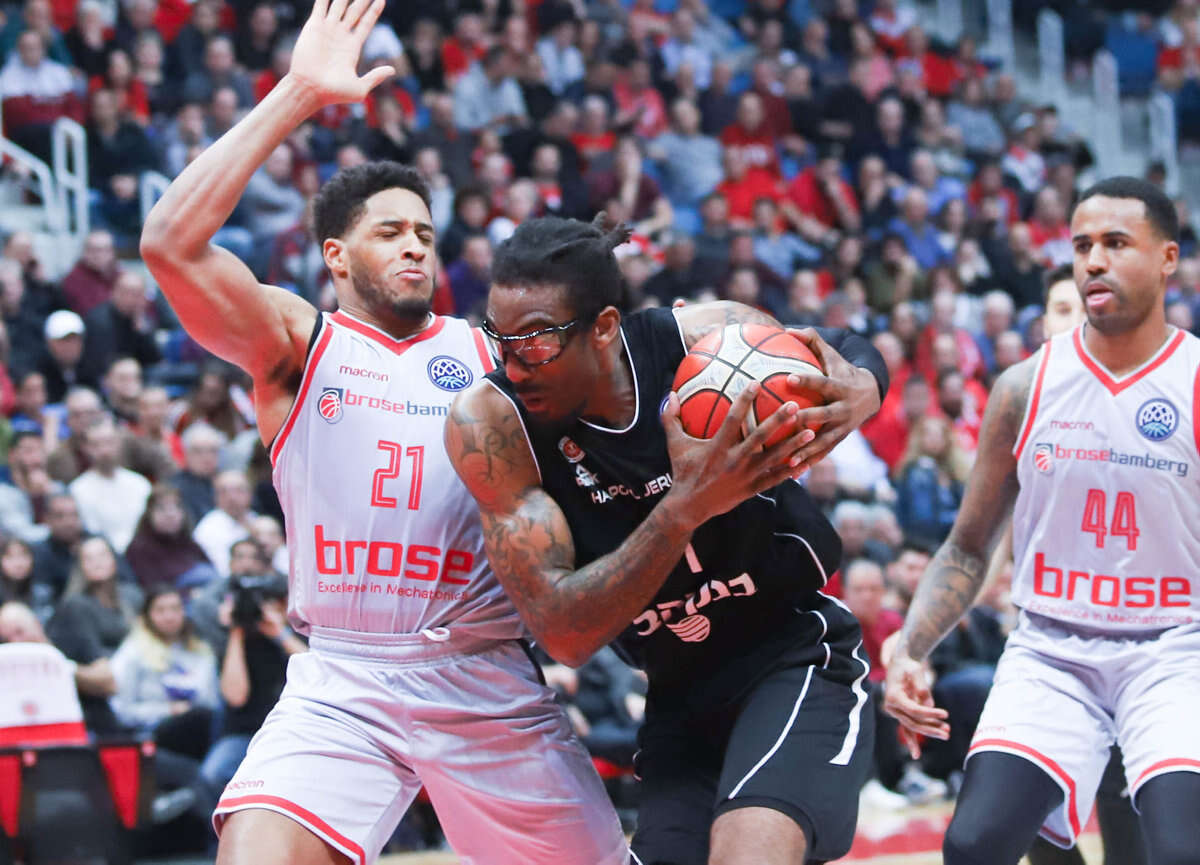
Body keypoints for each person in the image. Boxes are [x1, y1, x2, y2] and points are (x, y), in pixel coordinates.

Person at [138, 3, 626, 864]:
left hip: (482, 670)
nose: (415, 249)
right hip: (344, 677)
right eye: (391, 232)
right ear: (335, 255)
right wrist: (296, 95)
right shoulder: (299, 344)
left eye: (426, 235)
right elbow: (169, 244)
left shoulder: (491, 354)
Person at [445, 213, 890, 865]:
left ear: (603, 327)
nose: (513, 366)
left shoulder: (698, 340)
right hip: (677, 694)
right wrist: (683, 508)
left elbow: (837, 346)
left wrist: (863, 389)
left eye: (535, 343)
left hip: (792, 654)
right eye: (499, 340)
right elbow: (564, 633)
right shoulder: (493, 426)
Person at [884, 176, 1200, 865]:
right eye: (1082, 246)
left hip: (1175, 650)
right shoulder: (1024, 387)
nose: (1094, 262)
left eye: (1116, 243)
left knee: (1181, 850)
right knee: (973, 844)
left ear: (1167, 258)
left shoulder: (1195, 379)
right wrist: (911, 646)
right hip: (1053, 650)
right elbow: (967, 547)